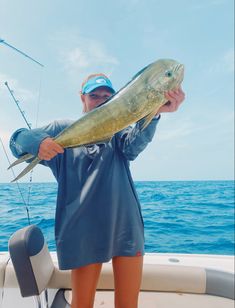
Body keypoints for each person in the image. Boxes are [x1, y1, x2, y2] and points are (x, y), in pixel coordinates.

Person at [10, 73, 185, 308]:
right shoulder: (62, 129)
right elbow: (17, 140)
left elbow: (134, 146)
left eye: (107, 96)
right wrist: (37, 143)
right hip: (83, 229)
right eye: (94, 95)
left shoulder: (118, 132)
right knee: (82, 304)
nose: (101, 99)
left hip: (125, 226)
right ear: (82, 97)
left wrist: (154, 112)